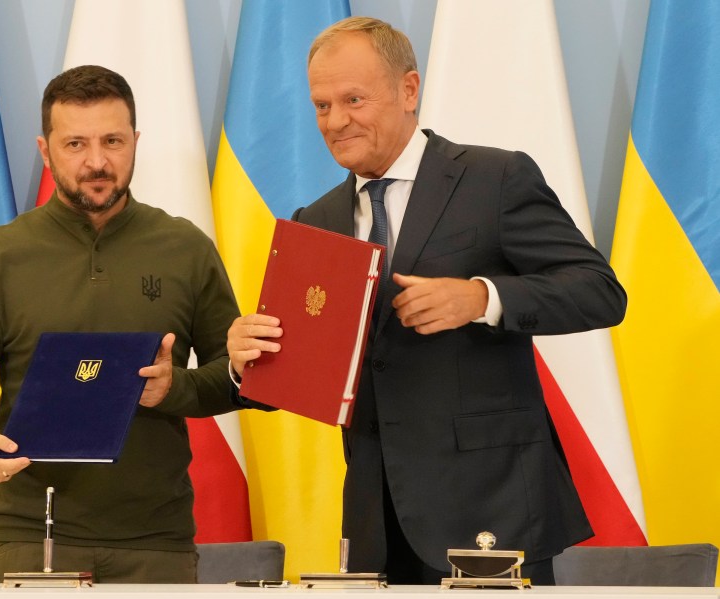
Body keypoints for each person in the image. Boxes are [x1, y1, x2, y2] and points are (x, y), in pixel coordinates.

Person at [227, 17, 627, 585]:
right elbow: (300, 373)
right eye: (321, 106)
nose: (336, 121)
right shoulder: (314, 223)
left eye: (354, 99)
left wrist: (483, 297)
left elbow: (600, 291)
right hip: (376, 522)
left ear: (408, 90)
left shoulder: (496, 178)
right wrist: (250, 360)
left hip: (493, 507)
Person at [0, 65, 241, 583]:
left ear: (136, 141)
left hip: (156, 544)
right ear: (45, 149)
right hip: (28, 536)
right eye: (75, 143)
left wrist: (173, 387)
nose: (97, 162)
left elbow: (237, 379)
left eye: (113, 141)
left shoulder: (186, 249)